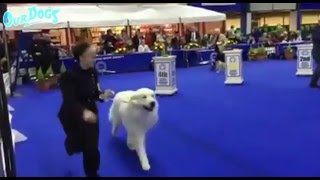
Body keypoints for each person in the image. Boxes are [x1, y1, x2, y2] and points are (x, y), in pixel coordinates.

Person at [58, 42, 114, 177]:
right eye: (91, 56)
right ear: (81, 57)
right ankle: (71, 143)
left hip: (91, 114)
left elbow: (95, 92)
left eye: (95, 56)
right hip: (72, 115)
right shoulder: (68, 77)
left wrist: (102, 95)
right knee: (77, 144)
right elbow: (69, 101)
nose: (94, 59)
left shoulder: (93, 73)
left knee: (91, 148)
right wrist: (83, 112)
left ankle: (92, 173)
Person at [310, 20, 320, 88]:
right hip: (317, 51)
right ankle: (313, 83)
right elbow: (316, 39)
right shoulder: (316, 30)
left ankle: (313, 82)